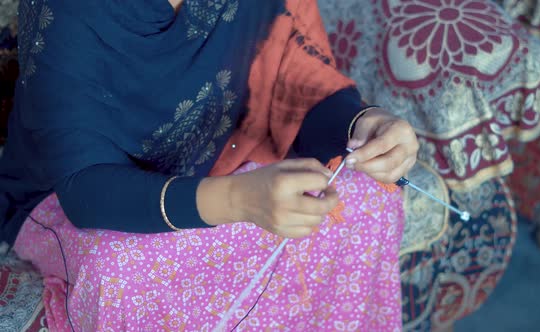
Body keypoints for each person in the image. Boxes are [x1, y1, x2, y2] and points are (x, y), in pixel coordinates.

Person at [1, 0, 418, 330]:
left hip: (223, 152)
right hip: (74, 192)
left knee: (367, 195)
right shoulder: (70, 7)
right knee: (120, 280)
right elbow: (84, 185)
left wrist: (361, 124)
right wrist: (239, 200)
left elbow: (288, 66)